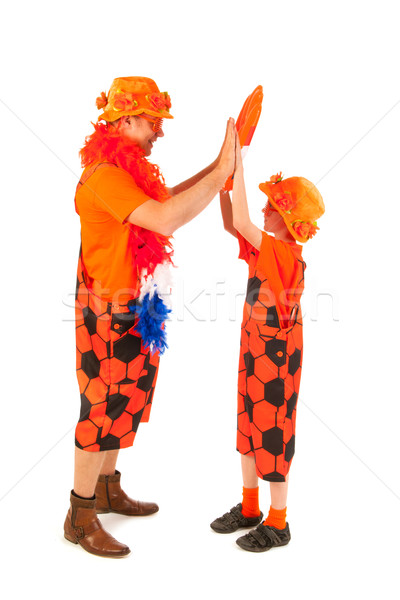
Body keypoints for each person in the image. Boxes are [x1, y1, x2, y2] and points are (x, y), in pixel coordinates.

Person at [64, 76, 236, 558]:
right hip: (109, 310)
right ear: (125, 120)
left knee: (126, 403)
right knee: (100, 410)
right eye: (153, 122)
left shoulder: (131, 171)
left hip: (137, 304)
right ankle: (79, 515)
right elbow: (165, 219)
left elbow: (162, 204)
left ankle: (105, 488)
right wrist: (220, 170)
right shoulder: (105, 176)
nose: (159, 131)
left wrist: (219, 169)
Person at [211, 132, 324, 552]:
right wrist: (225, 183)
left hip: (276, 361)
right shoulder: (268, 250)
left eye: (270, 206)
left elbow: (242, 221)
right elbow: (231, 221)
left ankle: (278, 523)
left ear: (285, 218)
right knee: (247, 429)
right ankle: (250, 506)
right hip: (253, 354)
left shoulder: (284, 254)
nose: (262, 208)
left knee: (272, 437)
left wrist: (238, 161)